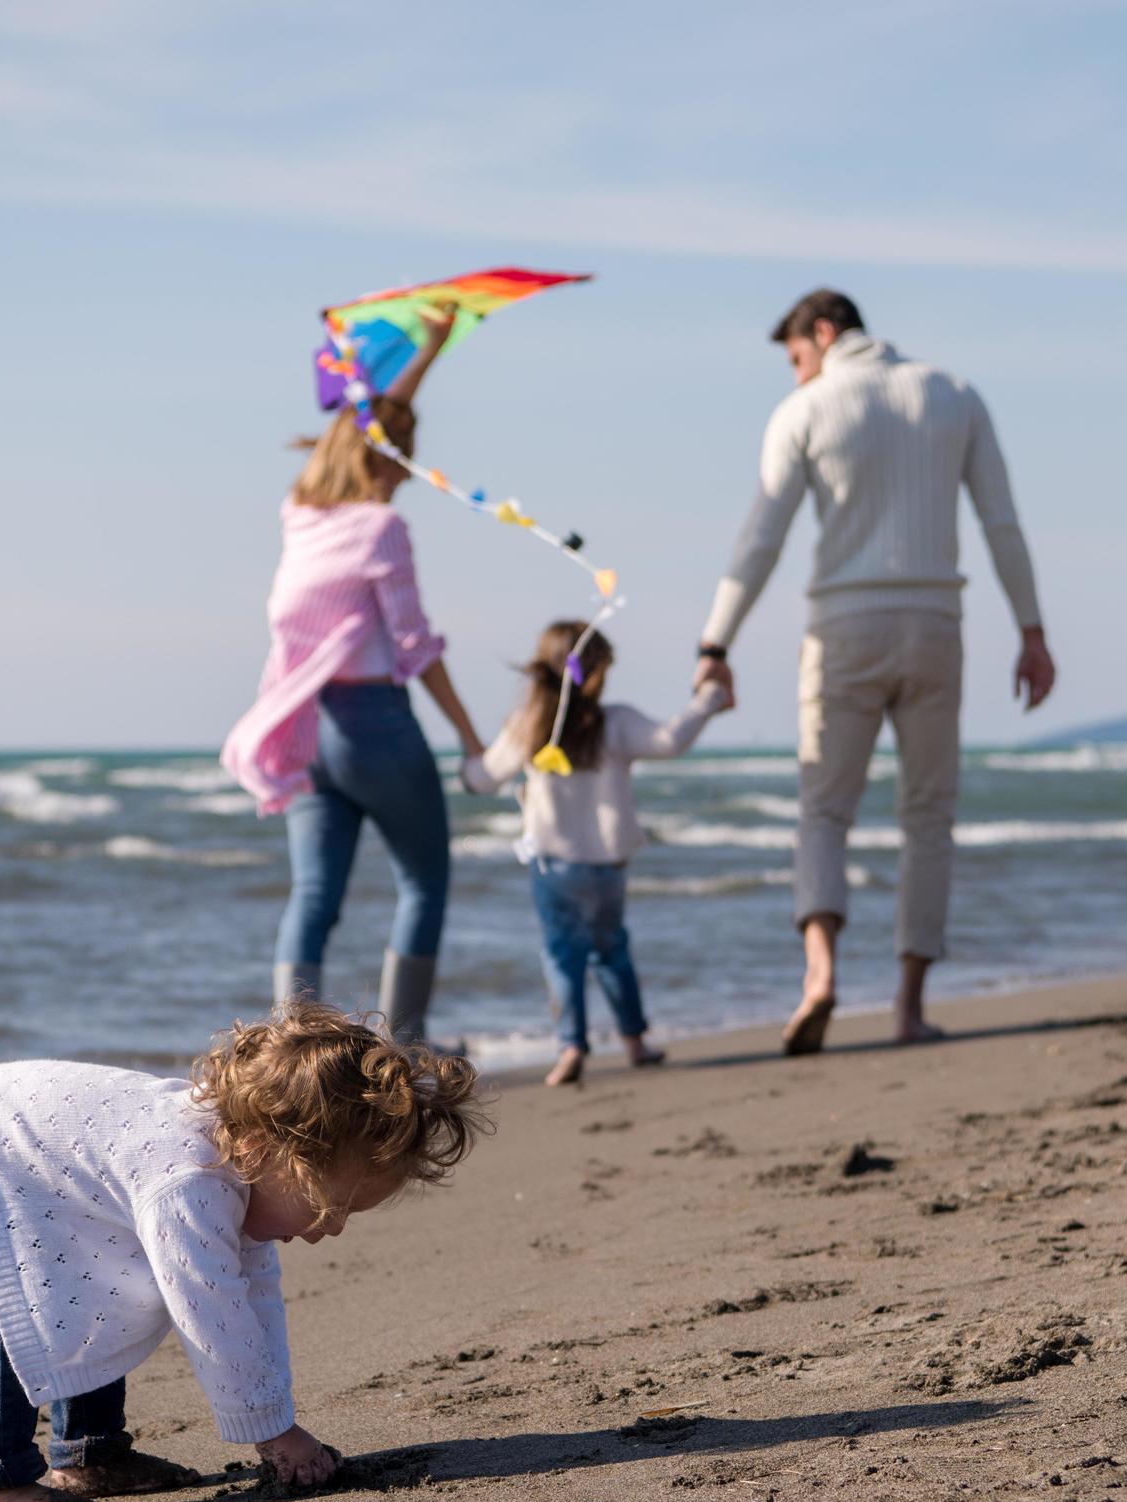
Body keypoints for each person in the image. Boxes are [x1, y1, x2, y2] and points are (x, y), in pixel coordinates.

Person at [0, 1003, 484, 1502]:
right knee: (6, 1308)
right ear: (269, 1149)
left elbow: (253, 1301)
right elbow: (212, 1313)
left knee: (92, 1284)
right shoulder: (188, 1181)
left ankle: (90, 1453)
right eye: (329, 1206)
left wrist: (276, 1420)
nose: (335, 1228)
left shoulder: (242, 1165)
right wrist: (275, 1435)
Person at [691, 288, 1057, 1054]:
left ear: (822, 334)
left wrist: (714, 642)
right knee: (928, 815)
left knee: (824, 810)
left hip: (843, 629)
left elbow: (760, 540)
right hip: (934, 626)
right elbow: (1001, 523)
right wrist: (1031, 630)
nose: (795, 376)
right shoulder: (954, 394)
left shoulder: (805, 410)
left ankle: (819, 976)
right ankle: (909, 1005)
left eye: (795, 359)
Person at [223, 310, 484, 1048]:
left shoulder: (297, 514)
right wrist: (470, 739)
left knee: (312, 895)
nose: (409, 470)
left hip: (304, 732)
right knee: (423, 882)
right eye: (405, 457)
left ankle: (284, 1049)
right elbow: (414, 647)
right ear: (386, 455)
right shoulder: (380, 528)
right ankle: (405, 1044)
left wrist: (429, 349)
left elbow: (368, 422)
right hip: (373, 727)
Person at [461, 622, 731, 1087]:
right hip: (608, 866)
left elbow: (484, 778)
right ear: (597, 672)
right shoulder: (617, 722)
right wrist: (709, 698)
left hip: (552, 866)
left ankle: (570, 1047)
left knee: (562, 955)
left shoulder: (528, 727)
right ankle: (635, 1042)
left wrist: (467, 768)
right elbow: (672, 739)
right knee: (611, 951)